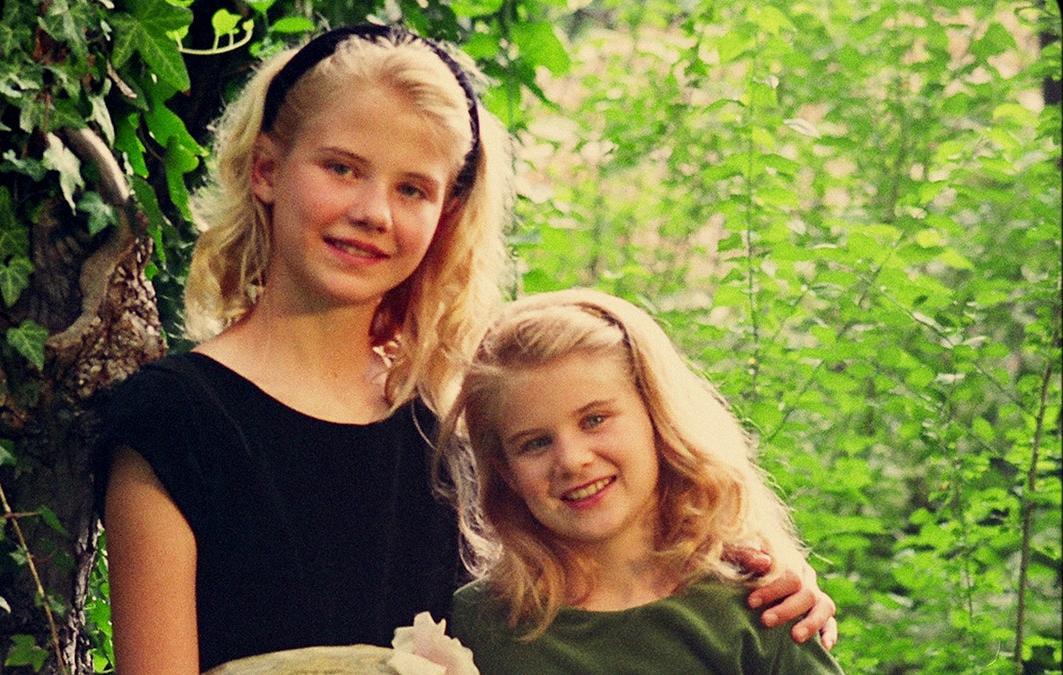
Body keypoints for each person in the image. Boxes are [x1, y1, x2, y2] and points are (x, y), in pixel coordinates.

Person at [94, 24, 835, 675]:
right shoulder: (174, 419)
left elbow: (613, 567)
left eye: (413, 188)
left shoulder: (455, 420)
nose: (371, 212)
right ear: (265, 170)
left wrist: (765, 581)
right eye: (342, 167)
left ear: (447, 212)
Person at [438, 288, 844, 673]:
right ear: (506, 472)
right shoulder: (475, 627)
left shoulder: (763, 610)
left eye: (594, 420)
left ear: (658, 419)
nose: (572, 460)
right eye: (535, 444)